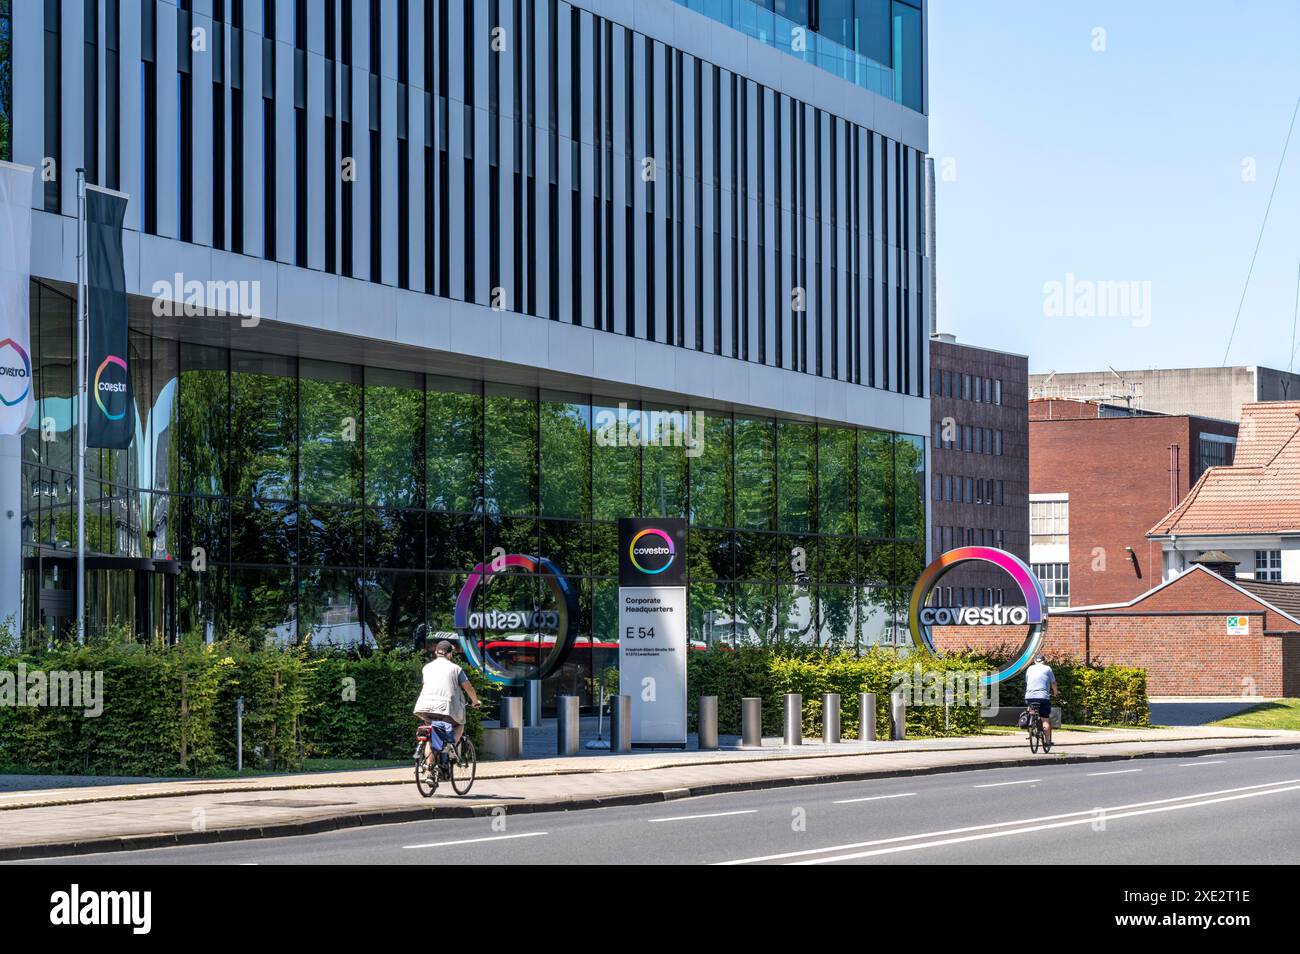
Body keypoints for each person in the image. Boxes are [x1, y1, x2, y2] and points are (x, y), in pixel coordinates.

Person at [414, 640, 481, 767]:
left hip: (424, 708)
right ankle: (451, 748)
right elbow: (468, 687)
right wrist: (475, 702)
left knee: (431, 735)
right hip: (445, 709)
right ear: (449, 654)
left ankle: (429, 770)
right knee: (459, 724)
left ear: (436, 652)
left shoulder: (426, 668)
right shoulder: (456, 669)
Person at [1024, 654, 1058, 750]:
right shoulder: (1048, 669)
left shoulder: (1030, 668)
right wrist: (1055, 692)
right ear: (1043, 661)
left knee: (1031, 708)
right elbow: (1053, 683)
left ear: (1035, 661)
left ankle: (1030, 721)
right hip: (1043, 697)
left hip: (1029, 696)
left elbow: (1027, 681)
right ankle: (1048, 742)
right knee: (1045, 719)